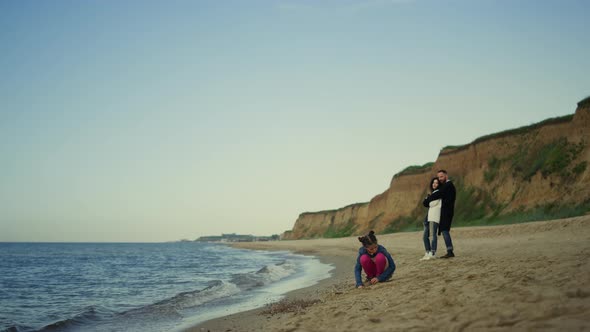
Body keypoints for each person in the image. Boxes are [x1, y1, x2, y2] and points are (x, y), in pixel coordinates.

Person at [423, 169, 456, 258]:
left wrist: (427, 199)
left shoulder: (448, 185)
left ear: (446, 176)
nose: (440, 179)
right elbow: (437, 195)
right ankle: (449, 250)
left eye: (441, 176)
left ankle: (450, 251)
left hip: (447, 212)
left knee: (444, 230)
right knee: (444, 230)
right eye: (439, 177)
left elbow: (437, 195)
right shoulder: (446, 186)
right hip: (445, 212)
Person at [420, 177, 441, 260]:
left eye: (436, 183)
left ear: (439, 185)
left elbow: (432, 204)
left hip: (434, 216)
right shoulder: (432, 194)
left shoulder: (439, 193)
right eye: (433, 183)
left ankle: (433, 253)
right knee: (425, 236)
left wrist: (428, 200)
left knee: (433, 236)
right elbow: (425, 203)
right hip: (428, 217)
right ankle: (428, 252)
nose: (434, 184)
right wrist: (428, 199)